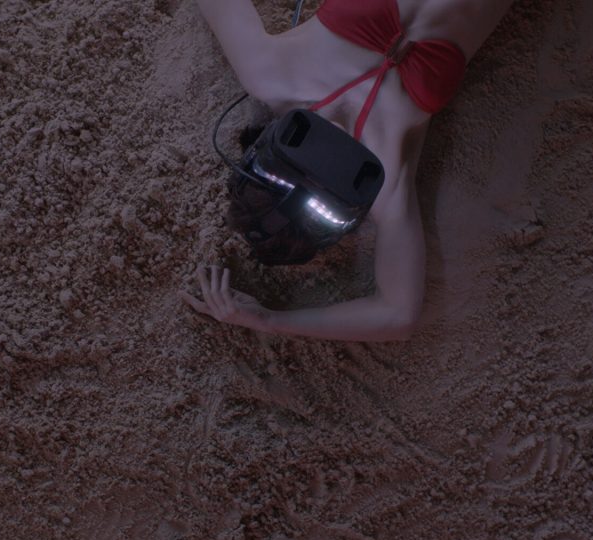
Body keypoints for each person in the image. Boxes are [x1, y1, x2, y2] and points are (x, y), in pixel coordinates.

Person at [181, 0, 517, 341]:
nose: (314, 166)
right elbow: (398, 315)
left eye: (292, 173)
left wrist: (269, 320)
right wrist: (268, 320)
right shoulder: (384, 180)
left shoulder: (269, 75)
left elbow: (398, 315)